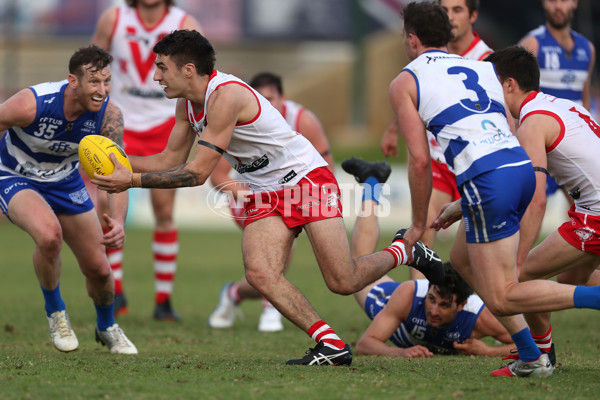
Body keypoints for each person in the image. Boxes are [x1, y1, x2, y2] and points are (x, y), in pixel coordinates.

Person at [92, 29, 445, 366]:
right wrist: (115, 157)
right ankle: (332, 345)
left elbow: (197, 174)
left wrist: (132, 180)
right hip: (266, 192)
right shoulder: (188, 104)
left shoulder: (225, 96)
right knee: (260, 273)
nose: (155, 77)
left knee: (343, 281)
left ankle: (406, 250)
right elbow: (169, 159)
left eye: (161, 68)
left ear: (188, 70)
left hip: (307, 179)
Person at [384, 1, 600, 378]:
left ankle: (541, 352)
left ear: (410, 39)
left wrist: (418, 226)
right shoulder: (483, 67)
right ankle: (533, 354)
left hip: (491, 180)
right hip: (505, 172)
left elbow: (419, 161)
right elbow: (495, 141)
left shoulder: (406, 79)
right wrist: (463, 204)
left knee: (506, 290)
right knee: (463, 261)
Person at [0, 45, 137, 354]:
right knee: (49, 237)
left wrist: (118, 220)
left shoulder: (109, 115)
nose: (102, 90)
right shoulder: (32, 103)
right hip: (14, 174)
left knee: (100, 270)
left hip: (64, 180)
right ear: (73, 81)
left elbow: (118, 173)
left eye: (106, 82)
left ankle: (107, 326)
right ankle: (56, 313)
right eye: (94, 82)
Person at [481, 45, 600, 372]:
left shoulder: (531, 124)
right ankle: (541, 351)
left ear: (508, 86)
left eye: (490, 86)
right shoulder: (561, 106)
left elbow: (536, 196)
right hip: (589, 211)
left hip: (596, 217)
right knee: (568, 280)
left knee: (528, 275)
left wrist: (518, 261)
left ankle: (539, 355)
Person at [90, 0, 202, 320]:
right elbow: (92, 67)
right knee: (109, 207)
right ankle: (117, 291)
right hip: (119, 123)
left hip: (167, 125)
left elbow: (200, 71)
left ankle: (163, 300)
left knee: (164, 210)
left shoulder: (184, 20)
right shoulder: (114, 17)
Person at [342, 161, 514, 358]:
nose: (433, 310)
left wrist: (488, 351)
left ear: (461, 305)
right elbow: (365, 345)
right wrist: (401, 352)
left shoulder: (479, 316)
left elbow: (530, 345)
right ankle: (371, 181)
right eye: (431, 299)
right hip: (389, 300)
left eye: (444, 305)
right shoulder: (410, 295)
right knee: (358, 262)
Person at [208, 71, 334, 333]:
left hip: (297, 192)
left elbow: (325, 161)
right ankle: (271, 308)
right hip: (251, 196)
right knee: (276, 251)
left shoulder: (302, 119)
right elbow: (218, 176)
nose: (267, 104)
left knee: (264, 271)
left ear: (283, 98)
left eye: (271, 98)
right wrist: (246, 193)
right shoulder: (237, 116)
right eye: (260, 98)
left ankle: (233, 294)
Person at [380, 0, 493, 280]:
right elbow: (422, 100)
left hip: (474, 165)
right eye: (447, 11)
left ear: (473, 15)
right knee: (426, 234)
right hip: (444, 161)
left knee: (477, 266)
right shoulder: (437, 64)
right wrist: (394, 127)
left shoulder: (487, 60)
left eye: (458, 10)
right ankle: (423, 306)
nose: (452, 18)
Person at [519, 0, 596, 199]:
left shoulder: (587, 49)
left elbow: (584, 100)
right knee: (531, 205)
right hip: (540, 142)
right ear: (544, 3)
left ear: (575, 3)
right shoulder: (532, 44)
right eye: (553, 1)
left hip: (571, 145)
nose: (558, 7)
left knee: (586, 206)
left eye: (564, 0)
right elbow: (515, 97)